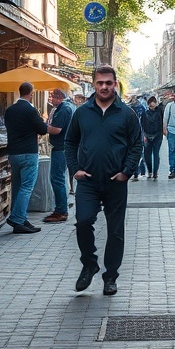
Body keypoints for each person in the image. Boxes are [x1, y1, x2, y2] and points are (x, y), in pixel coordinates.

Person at [64, 64, 143, 295]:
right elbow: (70, 142)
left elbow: (136, 145)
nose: (104, 87)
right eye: (100, 83)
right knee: (82, 221)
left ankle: (110, 277)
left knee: (115, 230)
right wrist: (75, 169)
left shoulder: (126, 114)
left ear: (115, 84)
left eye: (109, 83)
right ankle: (89, 264)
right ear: (94, 84)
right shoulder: (82, 112)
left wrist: (126, 172)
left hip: (115, 182)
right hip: (87, 181)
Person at [3, 82, 48, 234]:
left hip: (13, 153)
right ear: (31, 94)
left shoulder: (9, 110)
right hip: (28, 153)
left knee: (17, 186)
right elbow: (42, 130)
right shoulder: (30, 110)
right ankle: (17, 218)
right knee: (27, 187)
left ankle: (20, 218)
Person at [43, 89, 75, 223]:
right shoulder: (70, 107)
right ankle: (61, 208)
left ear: (60, 97)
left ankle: (61, 211)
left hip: (61, 148)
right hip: (65, 147)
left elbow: (56, 129)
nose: (51, 99)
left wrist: (42, 126)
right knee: (60, 178)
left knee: (57, 178)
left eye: (53, 97)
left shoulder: (63, 109)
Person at [141, 96, 164, 179]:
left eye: (153, 106)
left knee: (156, 154)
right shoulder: (145, 113)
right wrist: (143, 136)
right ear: (148, 105)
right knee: (147, 155)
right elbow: (142, 125)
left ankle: (155, 173)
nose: (152, 108)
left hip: (158, 135)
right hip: (147, 136)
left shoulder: (160, 112)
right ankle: (150, 171)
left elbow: (163, 123)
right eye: (150, 106)